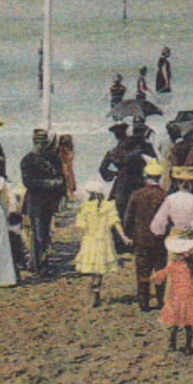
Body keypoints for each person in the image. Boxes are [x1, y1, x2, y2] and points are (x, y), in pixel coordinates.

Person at [150, 232, 193, 354]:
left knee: (185, 324)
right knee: (178, 324)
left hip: (184, 297)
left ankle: (186, 345)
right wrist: (154, 278)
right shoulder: (176, 266)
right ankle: (177, 345)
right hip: (178, 297)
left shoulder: (189, 266)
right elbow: (163, 273)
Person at [73, 178, 127, 307]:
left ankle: (93, 288)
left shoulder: (85, 206)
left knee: (92, 266)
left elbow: (80, 225)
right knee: (100, 267)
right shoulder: (109, 205)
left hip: (90, 240)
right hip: (104, 240)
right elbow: (115, 222)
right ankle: (97, 289)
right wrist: (124, 237)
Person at [20, 129, 66, 275]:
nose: (42, 145)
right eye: (40, 142)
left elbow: (61, 178)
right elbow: (28, 182)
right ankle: (38, 264)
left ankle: (42, 262)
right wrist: (49, 183)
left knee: (45, 234)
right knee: (38, 234)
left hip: (49, 201)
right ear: (35, 141)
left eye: (44, 142)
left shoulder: (53, 158)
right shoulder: (28, 160)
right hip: (35, 202)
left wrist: (61, 193)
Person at [124, 161, 169, 310]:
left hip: (141, 239)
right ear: (160, 177)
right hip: (160, 239)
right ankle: (161, 301)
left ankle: (144, 303)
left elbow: (128, 218)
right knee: (160, 270)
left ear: (146, 177)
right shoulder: (164, 195)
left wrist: (129, 234)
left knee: (143, 271)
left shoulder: (136, 194)